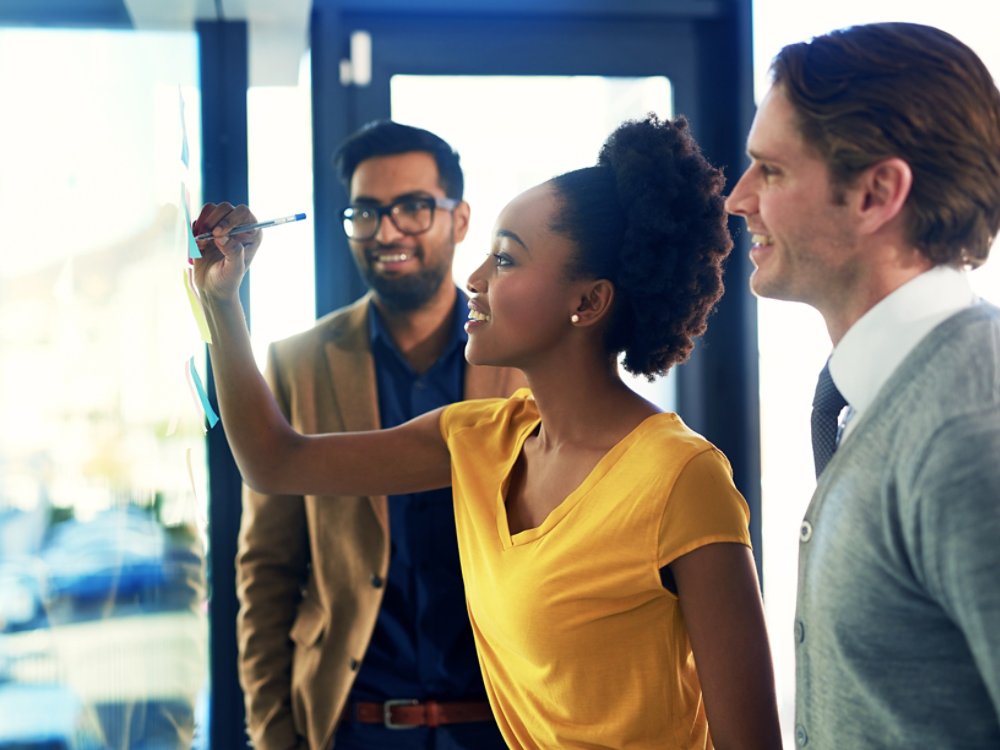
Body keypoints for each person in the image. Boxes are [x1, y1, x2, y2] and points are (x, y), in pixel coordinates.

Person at [196, 114, 783, 749]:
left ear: (587, 302)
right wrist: (223, 303)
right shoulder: (478, 438)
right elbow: (275, 463)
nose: (474, 279)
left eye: (504, 259)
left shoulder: (680, 477)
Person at [725, 22, 1000, 749]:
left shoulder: (974, 429)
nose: (737, 198)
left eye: (771, 172)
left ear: (877, 192)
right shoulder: (881, 395)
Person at [234, 121, 523, 750]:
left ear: (460, 218)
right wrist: (272, 733)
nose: (387, 231)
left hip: (505, 723)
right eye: (366, 212)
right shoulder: (298, 363)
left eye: (413, 208)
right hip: (352, 724)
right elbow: (267, 568)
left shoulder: (525, 362)